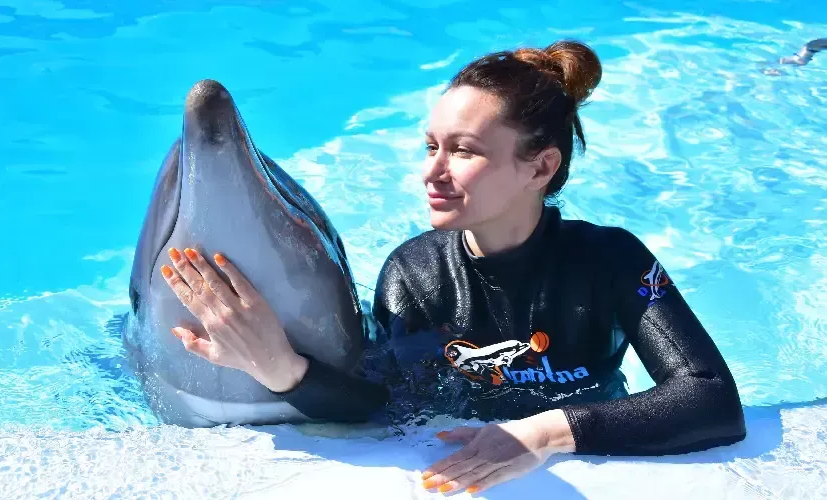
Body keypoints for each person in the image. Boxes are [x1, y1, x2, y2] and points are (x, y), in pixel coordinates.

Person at [159, 39, 747, 495]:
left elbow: (711, 400)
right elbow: (384, 408)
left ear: (541, 167)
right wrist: (279, 366)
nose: (431, 172)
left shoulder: (611, 260)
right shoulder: (414, 274)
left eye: (464, 151)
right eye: (430, 146)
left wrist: (542, 434)